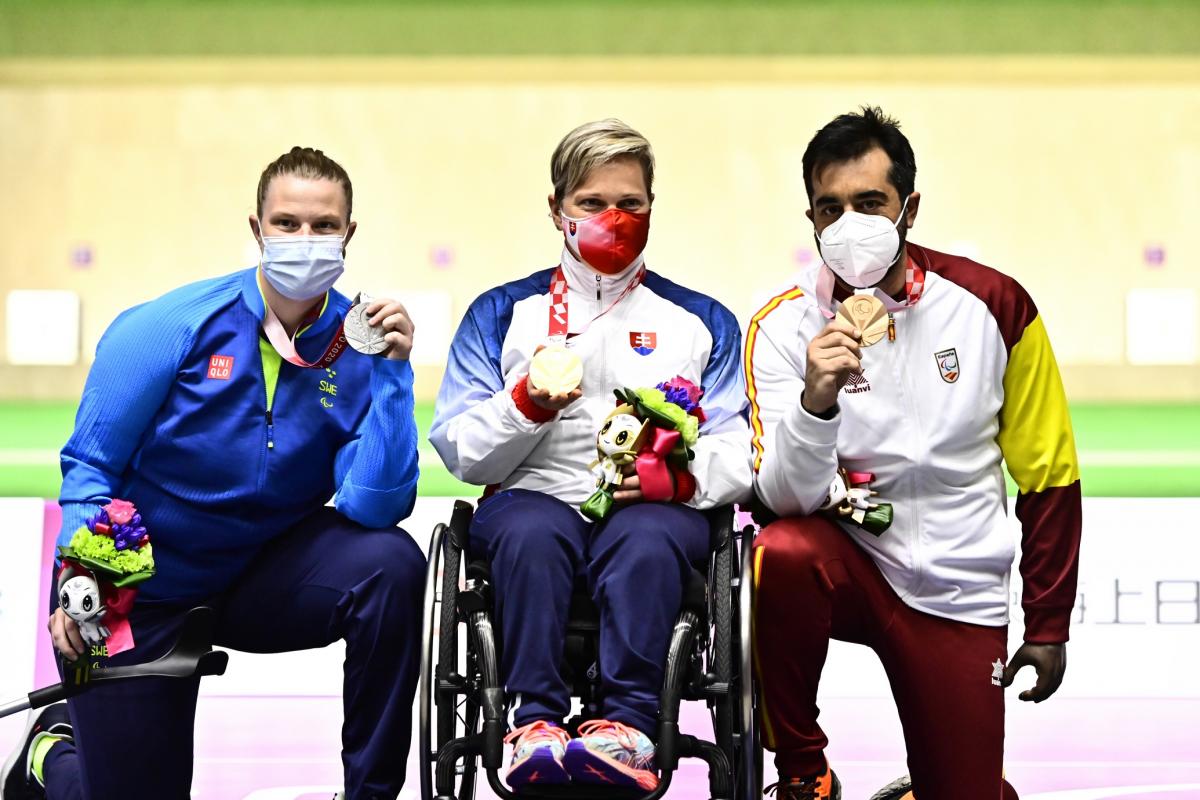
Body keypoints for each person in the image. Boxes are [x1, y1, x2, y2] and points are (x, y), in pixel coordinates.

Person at [2, 147, 425, 800]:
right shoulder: (166, 327)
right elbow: (89, 468)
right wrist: (81, 578)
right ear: (257, 230)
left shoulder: (359, 345)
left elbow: (373, 506)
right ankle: (53, 754)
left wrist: (395, 376)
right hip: (145, 585)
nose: (305, 240)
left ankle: (369, 793)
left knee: (390, 562)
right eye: (287, 224)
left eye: (323, 226)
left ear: (349, 235)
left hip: (264, 575)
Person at [745, 107, 1081, 800]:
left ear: (910, 208)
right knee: (780, 552)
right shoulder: (782, 327)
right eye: (830, 209)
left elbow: (1048, 479)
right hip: (848, 566)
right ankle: (804, 772)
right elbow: (780, 502)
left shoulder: (995, 305)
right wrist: (816, 403)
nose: (850, 225)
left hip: (959, 589)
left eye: (870, 203)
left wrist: (1047, 623)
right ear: (810, 219)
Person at [430, 118, 752, 791]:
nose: (614, 218)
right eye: (592, 203)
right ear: (557, 210)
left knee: (646, 536)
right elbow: (461, 452)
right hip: (532, 500)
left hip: (656, 509)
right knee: (530, 529)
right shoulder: (501, 313)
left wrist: (676, 479)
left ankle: (628, 730)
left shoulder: (701, 321)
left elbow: (741, 453)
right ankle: (534, 726)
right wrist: (526, 404)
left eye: (631, 204)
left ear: (651, 210)